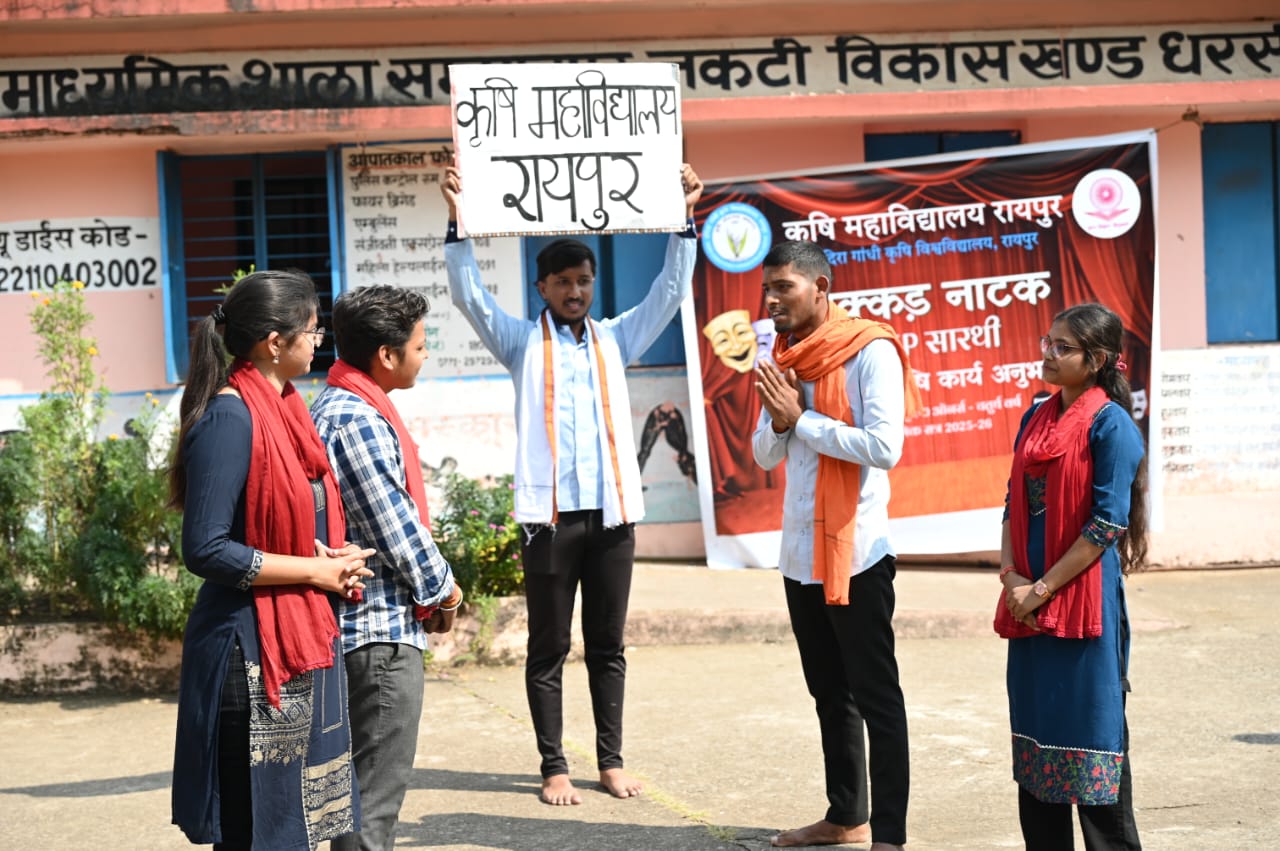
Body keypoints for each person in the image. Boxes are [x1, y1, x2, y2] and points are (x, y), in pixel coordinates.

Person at [442, 161, 703, 806]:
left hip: (613, 518)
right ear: (543, 287)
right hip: (551, 521)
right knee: (550, 645)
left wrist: (684, 217)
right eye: (563, 282)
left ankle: (610, 762)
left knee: (608, 644)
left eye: (584, 281)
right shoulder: (521, 343)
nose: (576, 291)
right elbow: (469, 296)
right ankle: (553, 765)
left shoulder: (617, 339)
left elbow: (669, 293)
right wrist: (457, 223)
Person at [169, 270, 375, 850]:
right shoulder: (232, 417)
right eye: (311, 331)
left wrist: (324, 555)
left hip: (290, 640)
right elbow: (206, 548)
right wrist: (315, 572)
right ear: (273, 343)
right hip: (248, 653)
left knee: (292, 825)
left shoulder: (286, 411)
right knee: (256, 828)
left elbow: (269, 524)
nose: (319, 343)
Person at [752, 240, 921, 851]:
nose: (771, 301)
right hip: (800, 558)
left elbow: (884, 447)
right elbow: (764, 452)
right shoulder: (781, 354)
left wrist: (802, 419)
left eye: (784, 289)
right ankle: (846, 817)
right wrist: (779, 422)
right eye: (766, 289)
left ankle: (891, 837)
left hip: (859, 555)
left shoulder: (869, 350)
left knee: (877, 698)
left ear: (821, 288)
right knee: (829, 694)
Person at [311, 286, 463, 851]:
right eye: (420, 346)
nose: (425, 355)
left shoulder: (337, 403)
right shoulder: (358, 418)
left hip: (357, 629)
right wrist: (444, 591)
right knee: (372, 802)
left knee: (353, 797)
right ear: (387, 356)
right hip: (377, 632)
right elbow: (392, 523)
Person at [994, 303, 1148, 851]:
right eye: (1048, 342)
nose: (1048, 354)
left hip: (1081, 609)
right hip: (1029, 606)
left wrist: (1040, 589)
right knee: (1037, 747)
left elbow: (1106, 524)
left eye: (1064, 348)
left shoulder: (1112, 426)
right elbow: (1013, 502)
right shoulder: (1034, 417)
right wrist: (1011, 577)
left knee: (1094, 743)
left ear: (1098, 360)